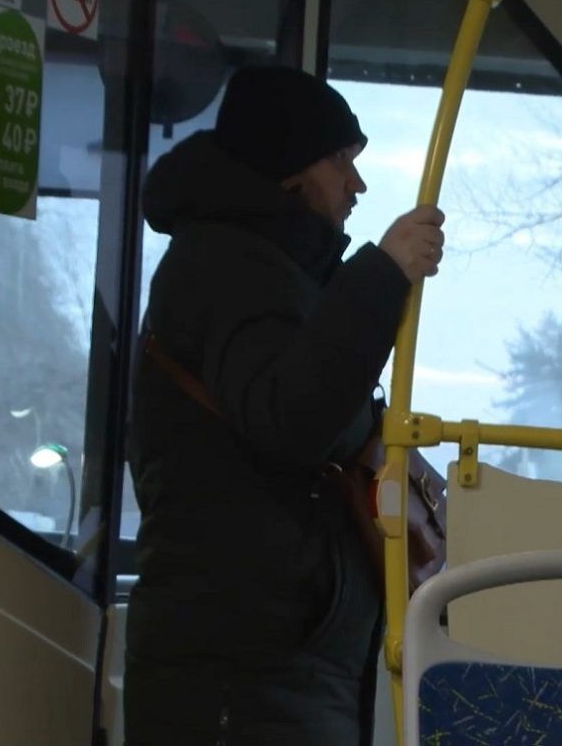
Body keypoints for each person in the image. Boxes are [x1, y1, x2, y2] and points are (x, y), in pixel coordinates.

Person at [124, 65, 445, 745]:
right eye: (341, 161)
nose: (356, 185)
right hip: (239, 673)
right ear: (291, 166)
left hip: (271, 664)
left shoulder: (271, 270)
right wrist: (382, 274)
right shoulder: (229, 265)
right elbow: (293, 417)